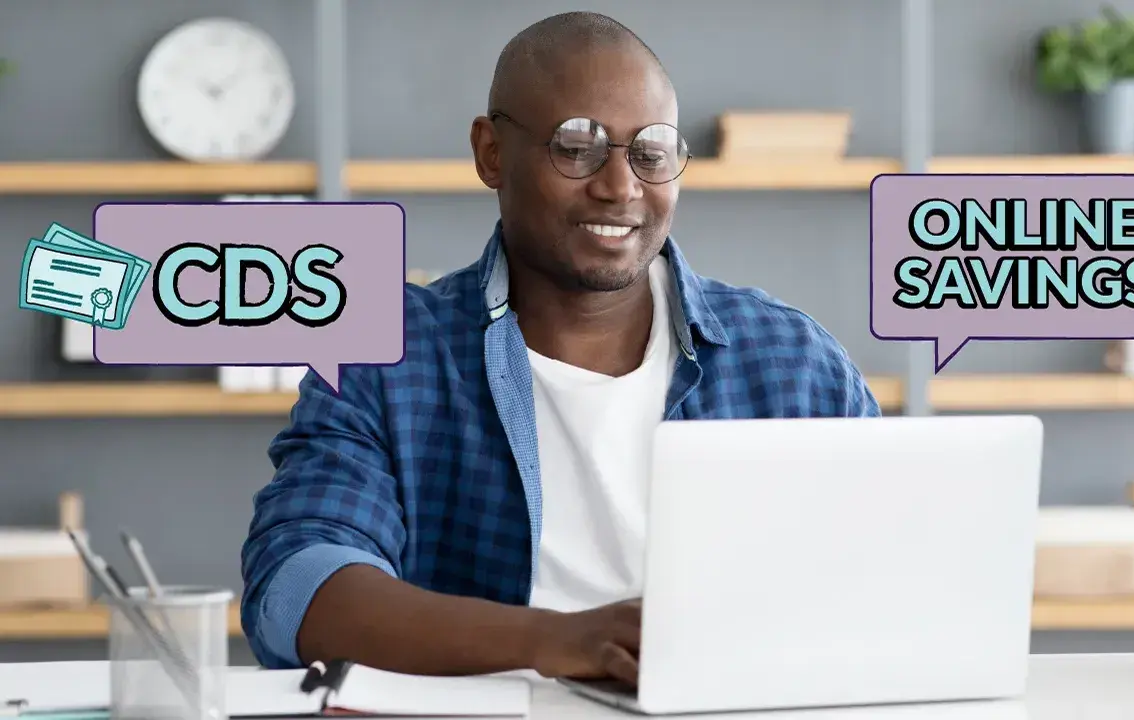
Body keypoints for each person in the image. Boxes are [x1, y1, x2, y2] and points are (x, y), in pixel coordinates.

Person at [240, 11, 881, 685]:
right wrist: (556, 641)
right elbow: (298, 588)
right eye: (577, 147)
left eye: (651, 151)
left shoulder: (790, 360)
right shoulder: (386, 354)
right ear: (491, 153)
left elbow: (893, 574)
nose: (621, 186)